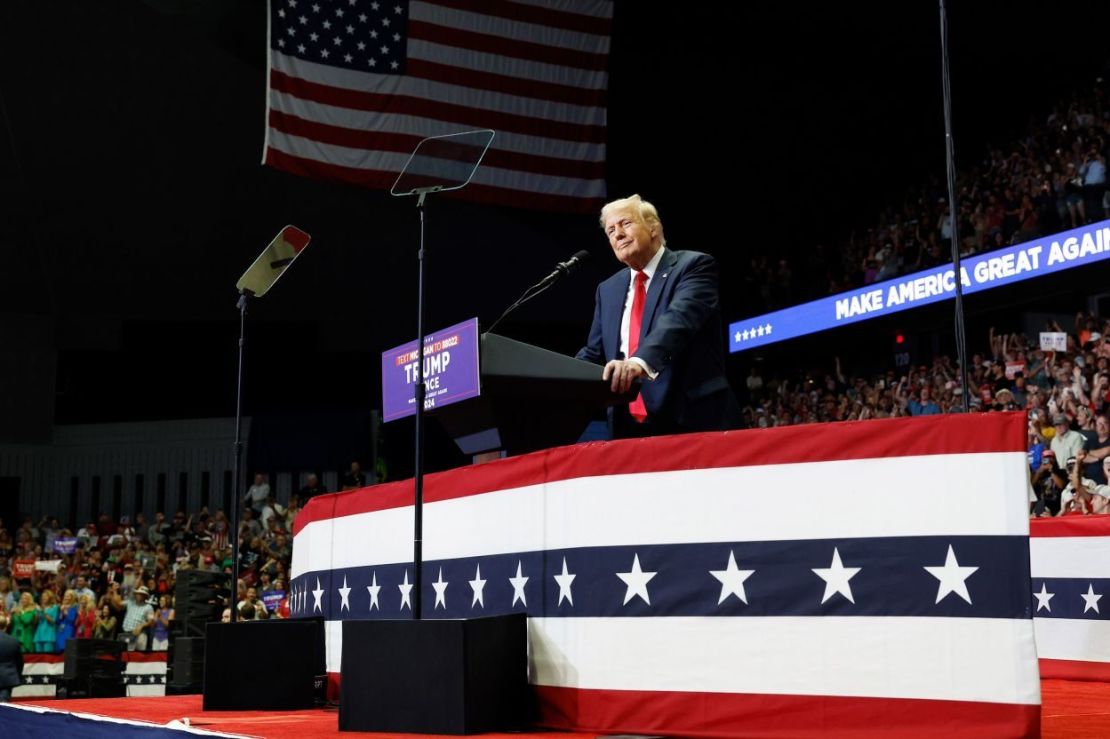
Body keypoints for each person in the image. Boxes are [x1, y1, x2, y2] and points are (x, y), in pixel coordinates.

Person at [576, 194, 740, 437]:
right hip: (627, 428)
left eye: (625, 223)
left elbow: (678, 321)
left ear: (653, 227)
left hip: (693, 420)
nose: (617, 234)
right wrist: (560, 379)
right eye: (610, 230)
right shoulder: (607, 290)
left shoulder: (693, 266)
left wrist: (638, 362)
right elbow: (594, 352)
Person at [121, 586, 156, 651]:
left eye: (142, 594)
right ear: (136, 594)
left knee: (138, 656)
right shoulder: (130, 602)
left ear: (145, 596)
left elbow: (152, 622)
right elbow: (119, 604)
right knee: (124, 655)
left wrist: (142, 625)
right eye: (139, 593)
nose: (140, 595)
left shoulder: (149, 607)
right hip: (126, 633)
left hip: (140, 635)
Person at [0, 628, 22, 702]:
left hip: (7, 679)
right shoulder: (13, 640)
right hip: (7, 678)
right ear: (6, 626)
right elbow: (19, 662)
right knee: (4, 705)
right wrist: (17, 676)